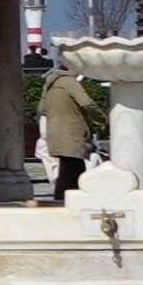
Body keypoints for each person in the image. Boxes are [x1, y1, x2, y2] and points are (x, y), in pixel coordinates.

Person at [41, 56, 94, 199]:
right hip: (71, 135)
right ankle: (65, 202)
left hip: (55, 134)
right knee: (73, 169)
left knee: (69, 168)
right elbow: (87, 103)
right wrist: (104, 118)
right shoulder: (70, 82)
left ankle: (67, 200)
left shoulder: (50, 83)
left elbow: (42, 109)